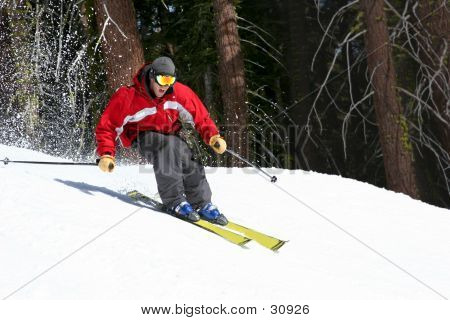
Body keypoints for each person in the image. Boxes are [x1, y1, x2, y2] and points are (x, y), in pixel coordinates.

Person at [95, 56, 228, 225]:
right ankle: (174, 201)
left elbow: (200, 117)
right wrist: (106, 153)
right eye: (161, 79)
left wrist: (213, 136)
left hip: (169, 133)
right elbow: (108, 126)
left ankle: (202, 203)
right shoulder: (128, 96)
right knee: (169, 146)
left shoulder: (178, 93)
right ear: (152, 76)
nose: (165, 85)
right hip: (141, 135)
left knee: (186, 154)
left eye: (170, 80)